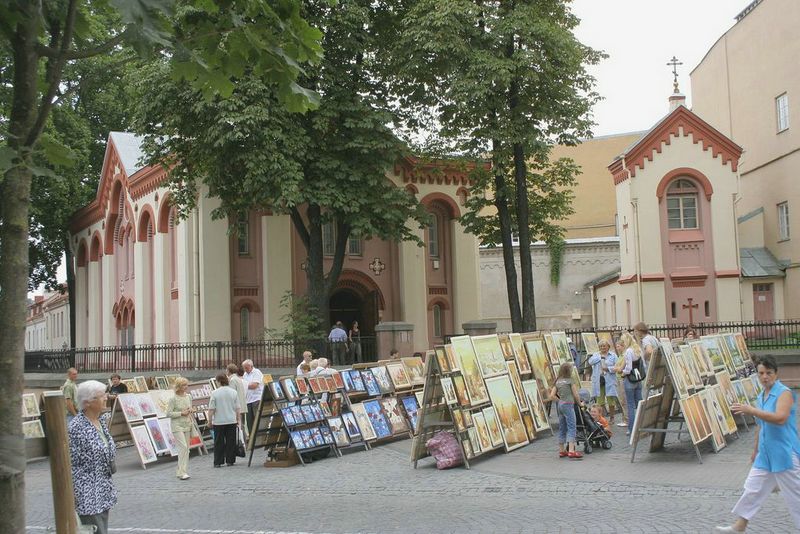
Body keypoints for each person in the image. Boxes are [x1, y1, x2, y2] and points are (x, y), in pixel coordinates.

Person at [715, 356, 800, 532]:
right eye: (761, 373)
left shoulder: (784, 393)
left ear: (776, 373)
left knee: (795, 496)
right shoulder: (762, 395)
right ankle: (740, 524)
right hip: (766, 453)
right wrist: (755, 451)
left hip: (785, 452)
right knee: (752, 488)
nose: (765, 377)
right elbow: (761, 427)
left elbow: (780, 418)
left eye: (768, 373)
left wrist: (751, 410)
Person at [69, 380, 116, 534]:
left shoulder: (100, 421)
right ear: (87, 402)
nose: (106, 398)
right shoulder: (76, 427)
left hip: (102, 490)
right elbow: (70, 463)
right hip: (87, 493)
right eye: (101, 396)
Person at [548, 362, 584, 460]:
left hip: (560, 405)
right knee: (572, 427)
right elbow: (576, 394)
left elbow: (551, 396)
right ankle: (571, 450)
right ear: (569, 371)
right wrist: (580, 403)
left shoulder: (558, 381)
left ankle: (561, 450)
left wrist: (560, 401)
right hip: (568, 405)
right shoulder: (570, 381)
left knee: (562, 427)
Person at [208, 373, 241, 468]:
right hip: (231, 420)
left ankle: (218, 461)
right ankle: (230, 460)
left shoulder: (214, 393)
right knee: (231, 441)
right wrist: (238, 419)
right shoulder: (233, 392)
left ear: (218, 381)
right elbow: (238, 408)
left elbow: (211, 409)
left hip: (219, 421)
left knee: (219, 442)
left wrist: (210, 421)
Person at [617, 332, 644, 436]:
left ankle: (631, 428)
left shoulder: (628, 351)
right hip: (638, 379)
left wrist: (623, 373)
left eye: (622, 342)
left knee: (630, 405)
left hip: (629, 380)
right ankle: (641, 425)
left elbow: (628, 368)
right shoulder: (637, 349)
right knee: (639, 403)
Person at [166, 377, 193, 480]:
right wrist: (181, 413)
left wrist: (190, 410)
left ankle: (182, 471)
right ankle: (181, 472)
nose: (186, 387)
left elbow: (189, 408)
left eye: (186, 385)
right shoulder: (173, 399)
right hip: (176, 425)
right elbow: (168, 413)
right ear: (178, 387)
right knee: (183, 447)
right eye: (184, 385)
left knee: (186, 449)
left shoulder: (189, 397)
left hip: (187, 424)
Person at [587, 340, 619, 425]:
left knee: (610, 400)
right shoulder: (596, 355)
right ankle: (602, 417)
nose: (602, 348)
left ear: (608, 347)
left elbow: (617, 366)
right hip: (599, 380)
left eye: (604, 346)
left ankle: (612, 417)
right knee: (600, 400)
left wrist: (608, 369)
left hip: (609, 379)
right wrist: (600, 357)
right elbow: (590, 362)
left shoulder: (613, 355)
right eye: (601, 346)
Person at [241, 359, 263, 432]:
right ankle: (251, 438)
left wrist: (244, 385)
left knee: (257, 420)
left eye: (246, 368)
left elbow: (254, 385)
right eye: (244, 368)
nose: (245, 369)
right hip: (248, 400)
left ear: (251, 366)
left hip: (256, 399)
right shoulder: (245, 374)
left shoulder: (256, 372)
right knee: (249, 421)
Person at [227, 363, 248, 439]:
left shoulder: (232, 380)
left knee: (238, 426)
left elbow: (232, 394)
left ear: (229, 371)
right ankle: (244, 443)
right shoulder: (238, 379)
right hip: (242, 405)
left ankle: (241, 444)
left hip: (237, 407)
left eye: (227, 370)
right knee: (242, 426)